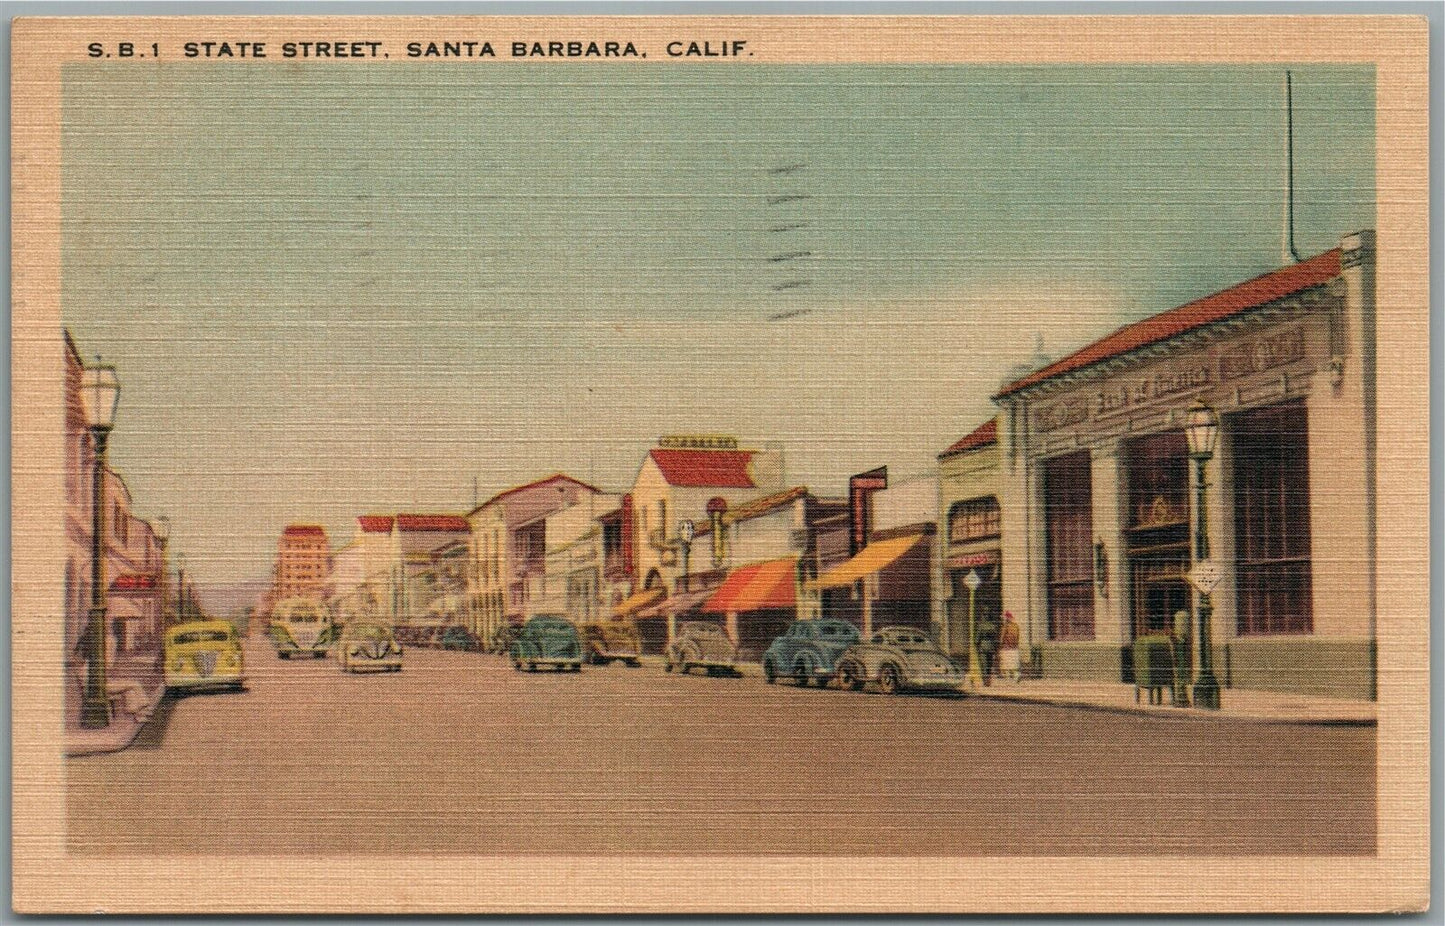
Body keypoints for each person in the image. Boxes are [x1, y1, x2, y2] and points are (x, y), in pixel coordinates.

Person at [975, 608, 1000, 685]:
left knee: (983, 664)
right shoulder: (993, 626)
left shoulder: (981, 625)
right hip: (991, 646)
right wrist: (995, 648)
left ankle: (985, 680)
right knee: (989, 664)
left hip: (983, 646)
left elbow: (977, 638)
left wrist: (977, 644)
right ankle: (988, 680)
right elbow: (996, 638)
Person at [999, 611, 1021, 682]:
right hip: (1014, 647)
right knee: (1014, 664)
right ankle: (1016, 676)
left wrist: (1000, 645)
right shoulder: (1016, 626)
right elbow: (1017, 637)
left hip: (1006, 648)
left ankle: (1008, 678)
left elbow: (1002, 638)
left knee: (1006, 664)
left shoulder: (1005, 627)